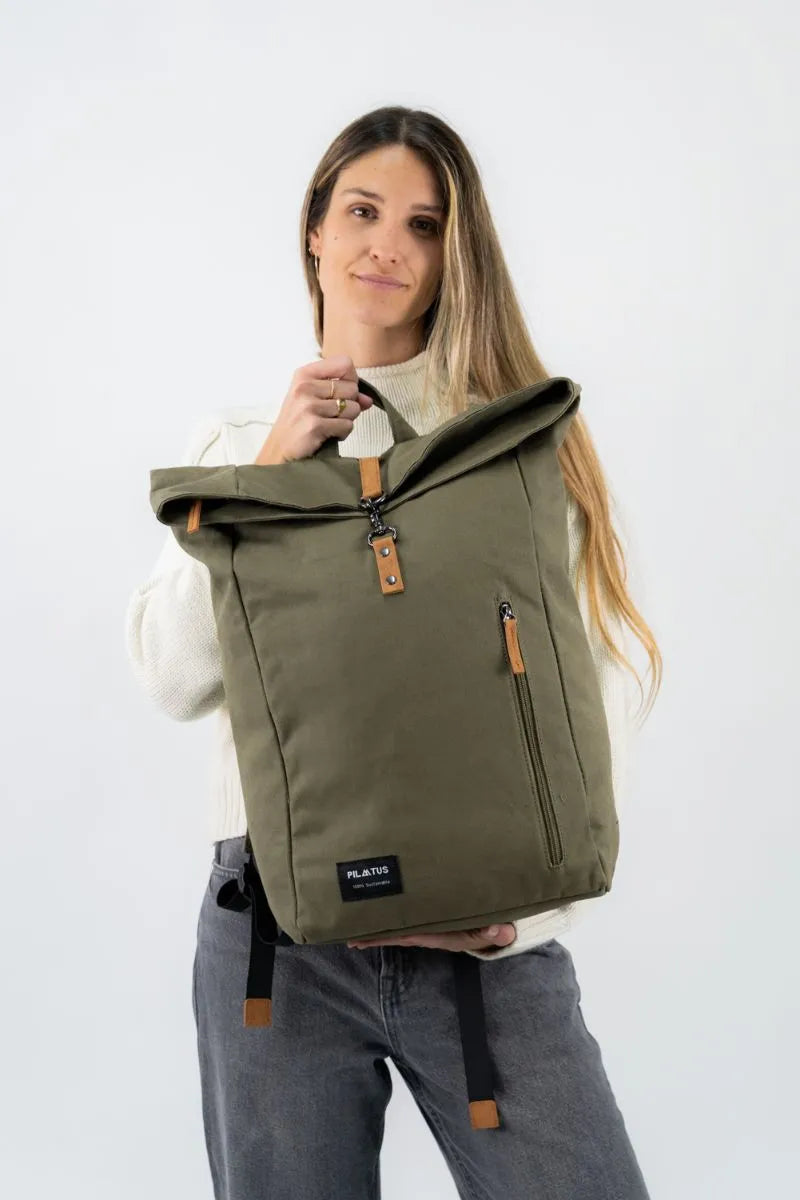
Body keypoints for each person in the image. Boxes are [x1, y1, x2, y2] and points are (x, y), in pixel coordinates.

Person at [125, 105, 660, 1199]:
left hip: (483, 936)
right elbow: (173, 679)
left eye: (424, 225)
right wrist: (272, 472)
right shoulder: (238, 448)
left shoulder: (512, 447)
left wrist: (524, 918)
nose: (387, 246)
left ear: (453, 256)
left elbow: (592, 691)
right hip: (278, 943)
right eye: (363, 212)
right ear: (315, 230)